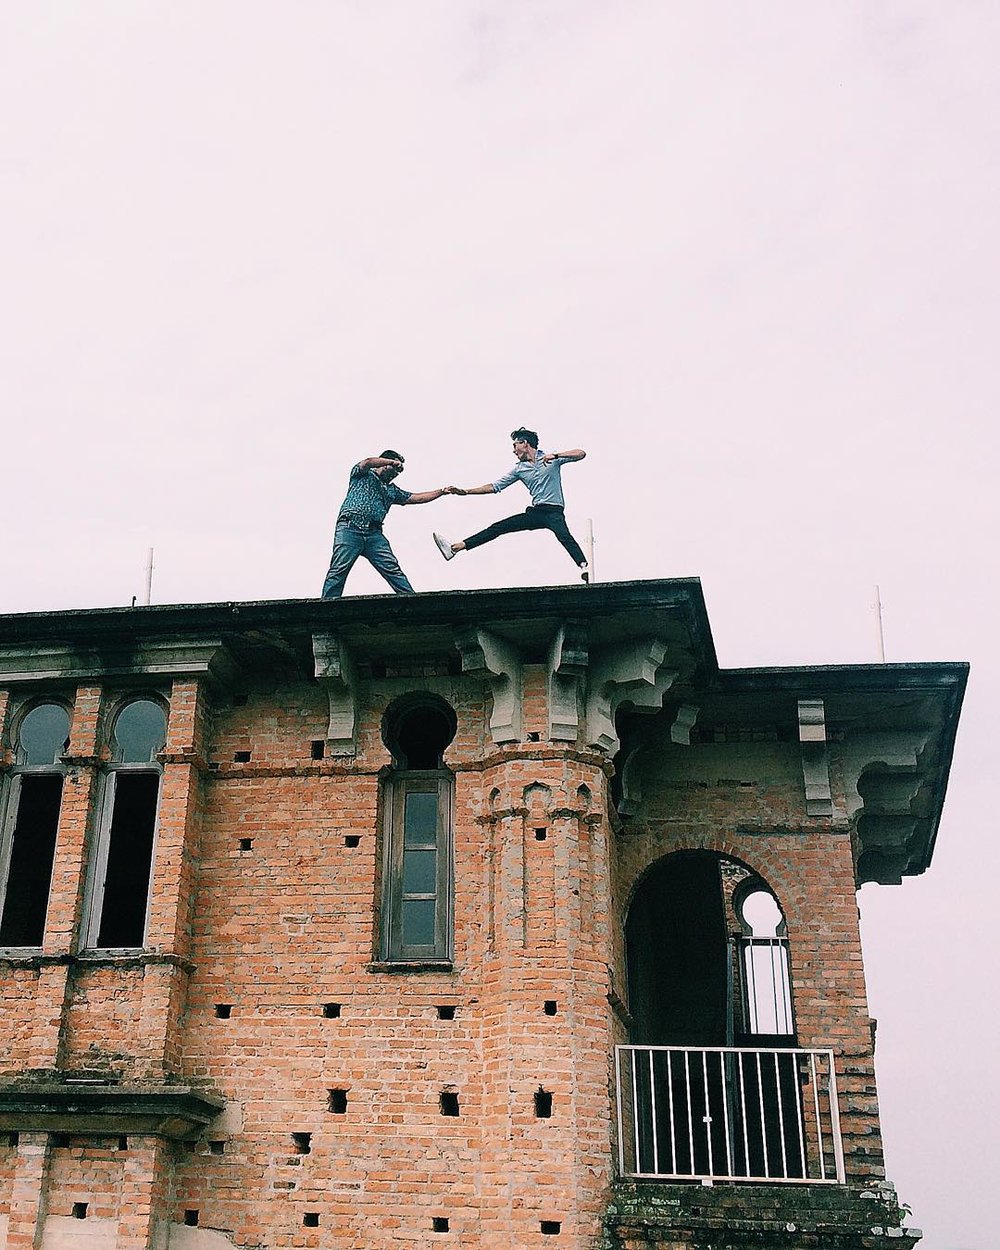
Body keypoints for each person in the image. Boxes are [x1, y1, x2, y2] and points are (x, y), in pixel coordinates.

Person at [433, 428, 589, 581]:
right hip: (535, 513)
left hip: (554, 512)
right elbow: (494, 487)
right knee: (498, 527)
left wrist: (556, 455)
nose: (514, 451)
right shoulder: (519, 469)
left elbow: (581, 453)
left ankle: (584, 567)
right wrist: (465, 491)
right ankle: (456, 547)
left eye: (515, 446)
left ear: (524, 443)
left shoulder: (551, 459)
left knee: (564, 536)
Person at [321, 451, 457, 599]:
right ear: (385, 463)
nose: (396, 474)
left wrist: (442, 491)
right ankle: (328, 603)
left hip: (374, 534)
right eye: (395, 469)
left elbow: (417, 497)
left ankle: (411, 600)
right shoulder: (362, 474)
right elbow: (367, 461)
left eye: (399, 471)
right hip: (350, 528)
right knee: (339, 569)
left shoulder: (392, 490)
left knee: (392, 568)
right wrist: (392, 462)